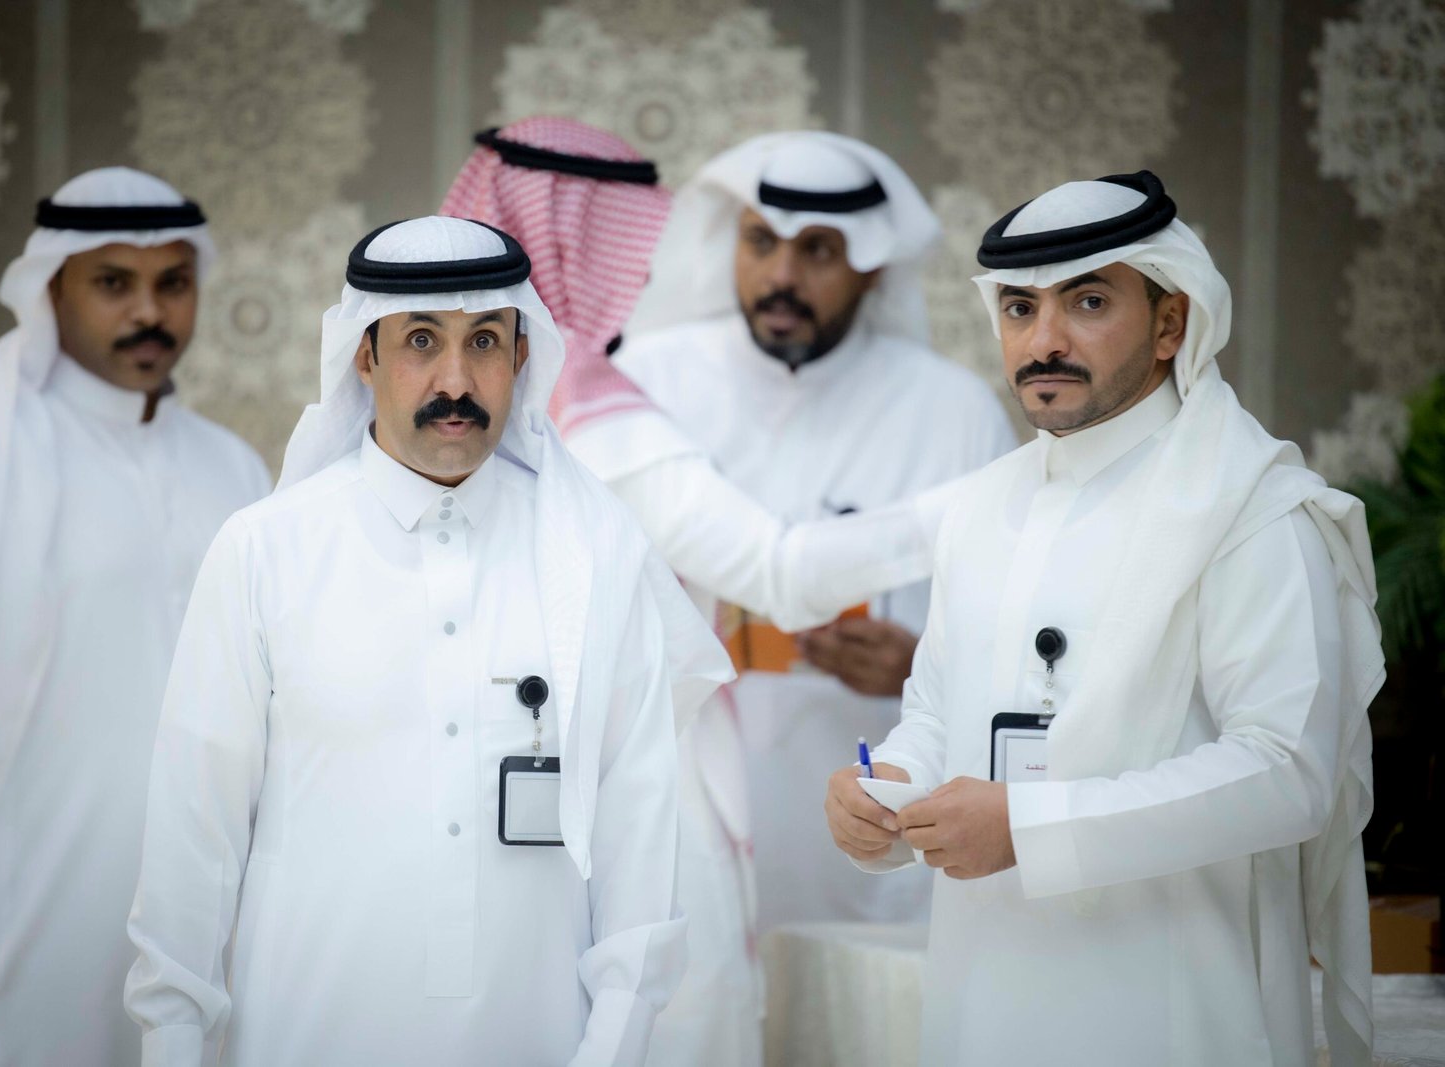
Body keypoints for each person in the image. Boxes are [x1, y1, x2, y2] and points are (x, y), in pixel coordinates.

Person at [123, 216, 731, 1066]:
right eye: (420, 340)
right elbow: (194, 838)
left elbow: (640, 844)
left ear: (522, 355)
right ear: (364, 357)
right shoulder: (265, 551)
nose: (456, 380)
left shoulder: (595, 554)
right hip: (304, 1036)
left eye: (484, 341)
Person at [824, 171, 1381, 1066]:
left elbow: (1289, 769)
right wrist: (886, 786)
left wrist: (1031, 828)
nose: (1044, 340)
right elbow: (937, 709)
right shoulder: (982, 506)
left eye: (1087, 302)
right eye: (1019, 308)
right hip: (983, 995)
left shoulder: (1251, 508)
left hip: (1176, 1010)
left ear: (1170, 323)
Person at [440, 117, 956, 1066]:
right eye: (625, 237)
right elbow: (780, 573)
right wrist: (989, 501)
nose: (646, 268)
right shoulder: (588, 403)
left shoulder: (476, 409)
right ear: (575, 242)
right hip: (621, 788)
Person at [0, 167, 270, 1065]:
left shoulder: (231, 466)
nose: (149, 311)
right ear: (52, 289)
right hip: (20, 893)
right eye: (114, 282)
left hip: (194, 895)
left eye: (173, 282)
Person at [617, 131, 1017, 933]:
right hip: (680, 841)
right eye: (761, 243)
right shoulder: (643, 382)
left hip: (876, 855)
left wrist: (918, 668)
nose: (782, 277)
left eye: (818, 251)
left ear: (871, 266)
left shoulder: (954, 411)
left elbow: (1020, 643)